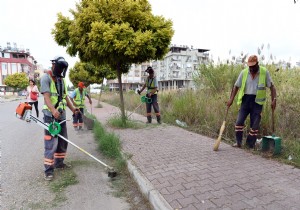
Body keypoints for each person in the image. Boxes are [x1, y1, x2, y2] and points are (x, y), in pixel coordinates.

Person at [40, 56, 79, 181]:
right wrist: (53, 110)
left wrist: (73, 109)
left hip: (61, 115)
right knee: (51, 142)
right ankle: (48, 170)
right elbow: (46, 97)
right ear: (54, 65)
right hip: (50, 116)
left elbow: (65, 97)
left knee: (63, 140)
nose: (61, 70)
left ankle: (59, 163)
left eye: (63, 68)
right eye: (60, 67)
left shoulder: (62, 80)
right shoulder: (46, 78)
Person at [227, 55, 277, 149]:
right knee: (239, 122)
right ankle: (238, 142)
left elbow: (272, 87)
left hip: (257, 102)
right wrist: (231, 99)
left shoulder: (264, 72)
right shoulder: (244, 72)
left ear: (257, 64)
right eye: (250, 66)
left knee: (254, 126)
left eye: (253, 66)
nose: (251, 68)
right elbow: (236, 86)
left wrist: (274, 100)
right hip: (245, 101)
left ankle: (250, 144)